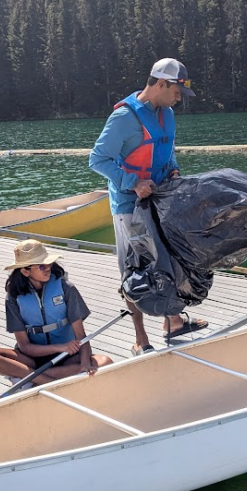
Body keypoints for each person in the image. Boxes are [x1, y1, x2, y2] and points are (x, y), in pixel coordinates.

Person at [89, 57, 208, 355]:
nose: (180, 97)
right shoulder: (124, 118)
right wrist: (132, 182)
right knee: (135, 271)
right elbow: (97, 160)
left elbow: (167, 152)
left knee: (167, 260)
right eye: (177, 90)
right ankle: (140, 338)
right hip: (129, 205)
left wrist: (175, 171)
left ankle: (173, 321)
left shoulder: (166, 113)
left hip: (160, 200)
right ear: (161, 84)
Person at [0, 239, 112, 387]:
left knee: (105, 362)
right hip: (32, 357)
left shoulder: (66, 287)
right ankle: (46, 381)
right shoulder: (13, 297)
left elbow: (81, 337)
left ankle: (28, 377)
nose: (48, 268)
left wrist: (85, 364)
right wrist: (61, 347)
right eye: (41, 266)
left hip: (67, 357)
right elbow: (25, 346)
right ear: (25, 271)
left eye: (49, 263)